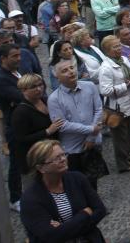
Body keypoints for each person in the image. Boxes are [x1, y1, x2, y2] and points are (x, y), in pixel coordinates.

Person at [20, 140, 107, 243]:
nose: (63, 159)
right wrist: (84, 214)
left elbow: (100, 210)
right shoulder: (31, 199)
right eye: (57, 158)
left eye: (63, 154)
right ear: (41, 168)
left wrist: (63, 228)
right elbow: (50, 236)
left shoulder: (77, 178)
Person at [48, 59, 106, 190]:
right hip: (72, 148)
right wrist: (91, 129)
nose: (70, 72)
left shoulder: (90, 86)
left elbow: (98, 109)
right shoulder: (54, 99)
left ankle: (95, 206)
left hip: (92, 143)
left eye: (71, 68)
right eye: (64, 71)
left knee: (93, 180)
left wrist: (91, 137)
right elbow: (62, 125)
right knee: (76, 184)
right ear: (57, 76)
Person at [97, 35, 130, 173]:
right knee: (120, 138)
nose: (119, 48)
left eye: (119, 45)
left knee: (128, 133)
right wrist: (126, 85)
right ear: (107, 50)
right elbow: (105, 90)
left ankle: (127, 155)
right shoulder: (105, 68)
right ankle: (123, 164)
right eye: (115, 46)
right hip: (118, 108)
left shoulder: (124, 60)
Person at [0, 43, 25, 210]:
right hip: (15, 125)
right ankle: (15, 198)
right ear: (3, 58)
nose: (19, 59)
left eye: (19, 55)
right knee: (16, 162)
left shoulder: (18, 71)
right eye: (15, 56)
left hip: (26, 120)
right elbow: (19, 96)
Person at [12, 74, 63, 177]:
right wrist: (47, 131)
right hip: (35, 159)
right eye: (33, 87)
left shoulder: (45, 100)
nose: (39, 89)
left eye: (40, 85)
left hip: (51, 153)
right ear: (23, 90)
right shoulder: (20, 112)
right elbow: (21, 139)